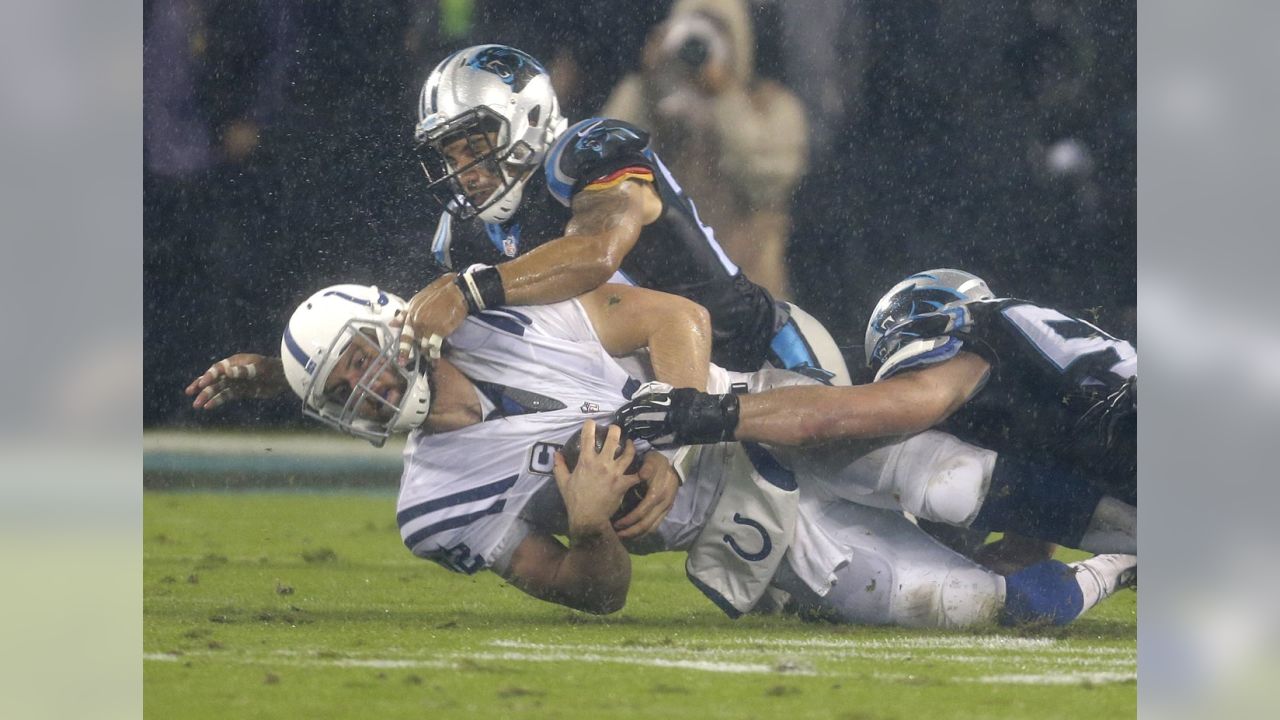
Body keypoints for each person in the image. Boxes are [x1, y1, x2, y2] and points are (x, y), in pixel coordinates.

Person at [187, 281, 1134, 627]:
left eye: (364, 365)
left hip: (749, 418)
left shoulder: (501, 318)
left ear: (397, 328)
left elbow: (675, 315)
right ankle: (1122, 567)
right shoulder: (431, 508)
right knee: (961, 603)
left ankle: (1145, 511)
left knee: (954, 479)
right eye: (343, 394)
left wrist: (674, 427)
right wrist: (594, 523)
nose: (371, 391)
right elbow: (594, 593)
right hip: (739, 536)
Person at [616, 268, 1138, 565]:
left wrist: (712, 412)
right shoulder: (1035, 382)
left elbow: (854, 414)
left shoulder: (967, 334)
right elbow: (1024, 555)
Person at [399, 44, 849, 385]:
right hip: (651, 393)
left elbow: (597, 252)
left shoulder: (584, 153)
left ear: (528, 115)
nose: (465, 170)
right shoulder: (465, 234)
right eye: (450, 156)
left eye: (475, 145)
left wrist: (472, 290)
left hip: (762, 361)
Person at [602, 0, 810, 301]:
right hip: (658, 292)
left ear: (741, 39)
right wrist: (649, 87)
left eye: (718, 31)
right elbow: (603, 172)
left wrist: (725, 97)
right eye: (693, 27)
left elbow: (765, 183)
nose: (701, 43)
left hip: (749, 296)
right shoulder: (645, 97)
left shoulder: (773, 106)